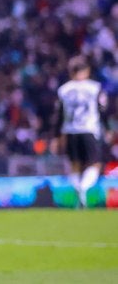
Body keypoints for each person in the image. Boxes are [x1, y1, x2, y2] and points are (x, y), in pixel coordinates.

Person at [54, 55, 108, 208]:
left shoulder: (63, 90)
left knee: (75, 165)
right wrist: (108, 129)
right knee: (95, 164)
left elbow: (58, 116)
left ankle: (78, 189)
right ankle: (83, 188)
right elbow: (102, 111)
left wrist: (56, 137)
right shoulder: (95, 87)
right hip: (89, 129)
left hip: (70, 131)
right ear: (87, 70)